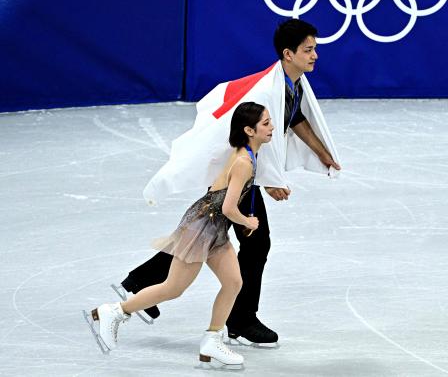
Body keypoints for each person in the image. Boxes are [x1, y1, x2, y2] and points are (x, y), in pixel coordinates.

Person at [111, 19, 341, 347]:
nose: (315, 55)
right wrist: (272, 179)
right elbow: (258, 139)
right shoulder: (267, 91)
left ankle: (139, 282)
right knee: (252, 241)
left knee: (205, 232)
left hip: (242, 171)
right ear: (289, 54)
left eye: (315, 48)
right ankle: (240, 320)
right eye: (309, 49)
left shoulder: (292, 83)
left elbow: (297, 119)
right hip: (235, 170)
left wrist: (324, 153)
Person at [84, 102, 274, 369]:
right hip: (202, 227)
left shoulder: (249, 155)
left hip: (213, 226)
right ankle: (115, 311)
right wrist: (248, 221)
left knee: (233, 283)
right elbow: (229, 208)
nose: (272, 127)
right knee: (173, 288)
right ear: (248, 130)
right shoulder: (243, 161)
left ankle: (211, 341)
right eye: (265, 123)